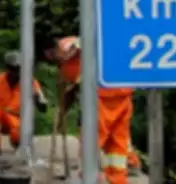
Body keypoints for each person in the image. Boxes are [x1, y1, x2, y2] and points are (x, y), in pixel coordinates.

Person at [44, 36, 137, 184]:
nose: (52, 59)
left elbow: (75, 47)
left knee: (91, 141)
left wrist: (62, 112)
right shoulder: (67, 66)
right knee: (116, 145)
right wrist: (62, 112)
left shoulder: (67, 47)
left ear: (50, 51)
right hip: (121, 92)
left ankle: (89, 176)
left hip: (103, 97)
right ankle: (118, 178)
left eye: (50, 55)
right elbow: (73, 90)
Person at [0, 51, 48, 155]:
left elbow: (43, 108)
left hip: (18, 120)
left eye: (19, 69)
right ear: (8, 68)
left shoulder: (31, 83)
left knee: (17, 133)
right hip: (1, 118)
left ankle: (19, 144)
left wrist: (36, 99)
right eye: (14, 69)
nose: (17, 72)